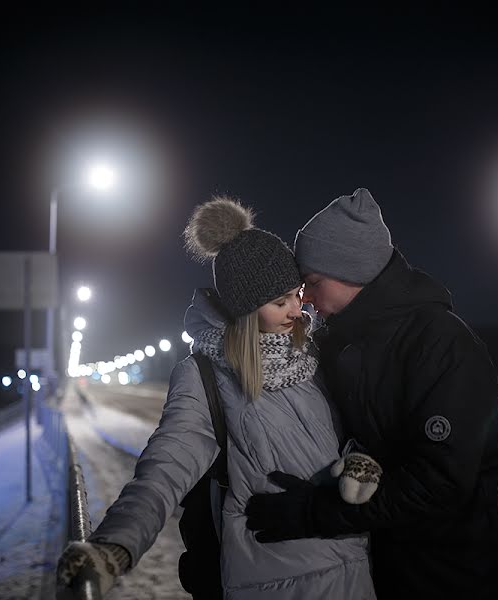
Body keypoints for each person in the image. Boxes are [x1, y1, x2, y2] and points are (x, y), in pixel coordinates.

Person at [56, 196, 376, 599]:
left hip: (354, 570)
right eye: (280, 302)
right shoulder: (205, 375)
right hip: (271, 581)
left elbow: (357, 426)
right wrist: (115, 546)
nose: (297, 309)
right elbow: (166, 466)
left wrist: (360, 459)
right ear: (245, 311)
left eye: (296, 293)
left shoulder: (315, 353)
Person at [245, 188, 498, 599]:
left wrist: (319, 513)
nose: (307, 300)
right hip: (375, 570)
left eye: (313, 282)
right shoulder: (340, 344)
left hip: (448, 575)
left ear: (353, 270)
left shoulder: (441, 344)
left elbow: (440, 482)